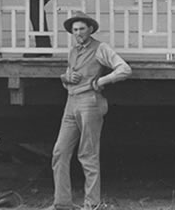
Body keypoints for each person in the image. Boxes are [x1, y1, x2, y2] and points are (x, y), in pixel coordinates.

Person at [49, 13, 129, 210]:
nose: (78, 33)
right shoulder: (73, 51)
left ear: (90, 29)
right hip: (71, 101)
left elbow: (124, 69)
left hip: (90, 102)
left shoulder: (100, 48)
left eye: (82, 29)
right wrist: (66, 77)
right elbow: (69, 74)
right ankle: (62, 203)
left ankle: (91, 204)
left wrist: (101, 81)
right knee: (60, 151)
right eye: (75, 30)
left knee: (88, 154)